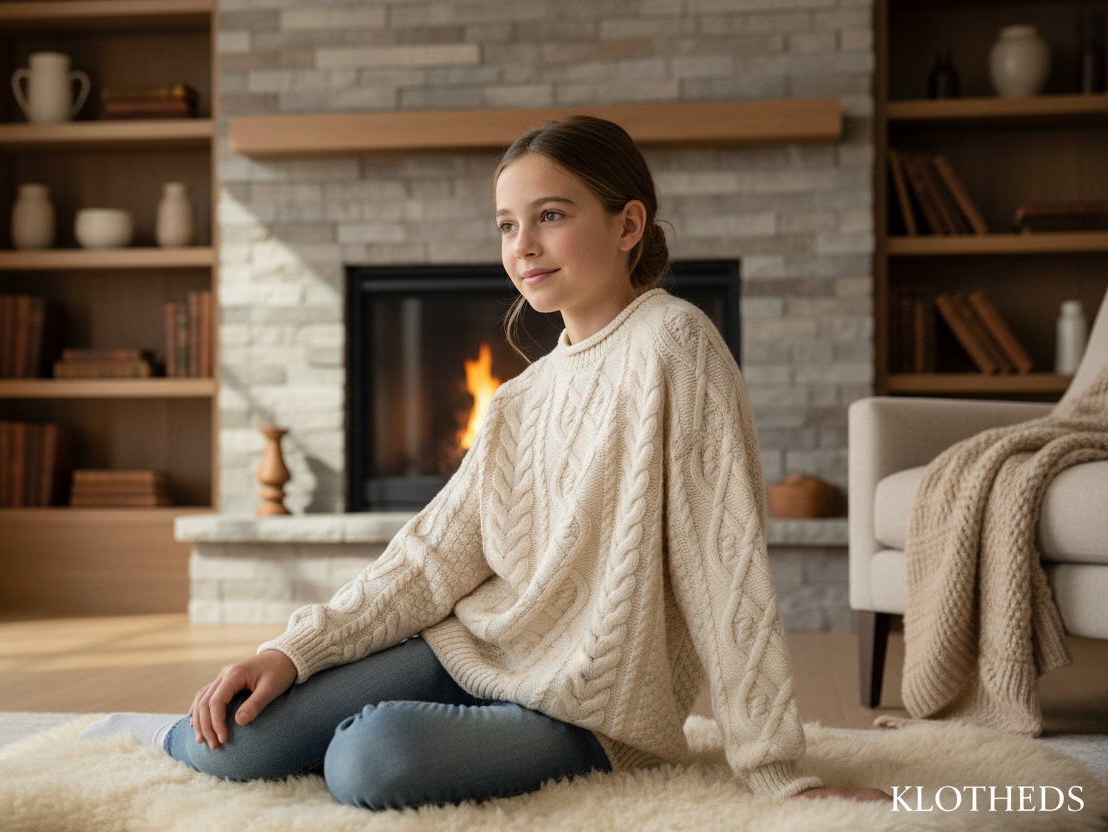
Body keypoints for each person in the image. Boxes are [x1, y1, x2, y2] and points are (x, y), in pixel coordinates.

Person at [81, 115, 889, 809]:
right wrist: (292, 651)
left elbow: (725, 566)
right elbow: (433, 559)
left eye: (549, 215)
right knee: (239, 742)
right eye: (507, 224)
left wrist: (778, 770)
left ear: (628, 223)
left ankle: (356, 741)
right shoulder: (519, 398)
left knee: (370, 760)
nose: (523, 246)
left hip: (585, 710)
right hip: (469, 650)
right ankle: (174, 734)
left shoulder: (675, 344)